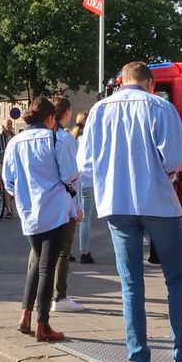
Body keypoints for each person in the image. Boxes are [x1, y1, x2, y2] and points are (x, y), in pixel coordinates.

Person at [78, 61, 182, 362]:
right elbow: (174, 159)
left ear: (121, 82)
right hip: (157, 202)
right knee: (176, 281)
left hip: (117, 204)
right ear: (151, 84)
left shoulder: (98, 110)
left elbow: (85, 164)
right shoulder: (161, 107)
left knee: (131, 286)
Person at [2, 96, 78, 342]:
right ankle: (42, 324)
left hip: (29, 212)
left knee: (36, 263)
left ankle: (25, 314)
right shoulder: (56, 139)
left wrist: (23, 193)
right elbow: (70, 175)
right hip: (54, 211)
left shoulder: (15, 142)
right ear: (49, 117)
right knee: (47, 267)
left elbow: (8, 181)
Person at [26, 96, 85, 312]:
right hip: (61, 205)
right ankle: (58, 297)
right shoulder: (62, 139)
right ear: (64, 113)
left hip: (35, 205)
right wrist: (77, 206)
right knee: (61, 252)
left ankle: (30, 301)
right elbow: (71, 177)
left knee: (36, 253)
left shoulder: (26, 140)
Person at [71, 110, 97, 264]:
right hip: (87, 181)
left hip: (73, 182)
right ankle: (84, 252)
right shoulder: (91, 139)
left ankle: (65, 252)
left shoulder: (71, 138)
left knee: (70, 218)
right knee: (85, 219)